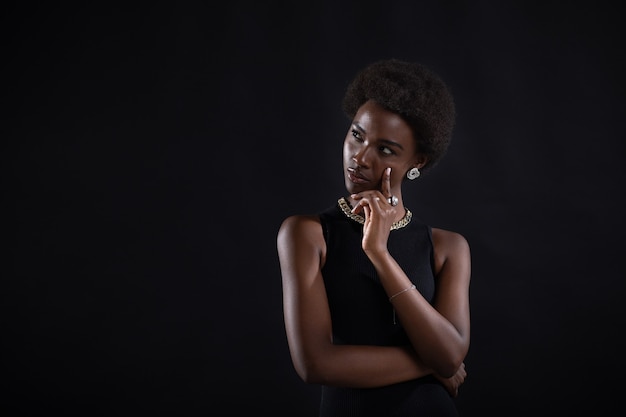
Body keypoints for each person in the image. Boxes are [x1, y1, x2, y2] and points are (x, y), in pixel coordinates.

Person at [277, 58, 471, 416]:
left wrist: (379, 254)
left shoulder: (448, 248)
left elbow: (452, 354)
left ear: (418, 162)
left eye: (385, 150)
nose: (360, 157)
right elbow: (316, 364)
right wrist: (432, 364)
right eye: (356, 135)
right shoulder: (308, 235)